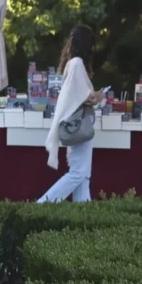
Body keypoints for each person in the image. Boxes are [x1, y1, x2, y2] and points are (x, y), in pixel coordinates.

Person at [39, 25, 104, 203]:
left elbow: (76, 95)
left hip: (76, 124)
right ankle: (42, 203)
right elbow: (85, 97)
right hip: (79, 125)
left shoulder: (72, 63)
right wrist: (98, 96)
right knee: (78, 173)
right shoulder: (77, 64)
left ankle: (84, 214)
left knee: (83, 175)